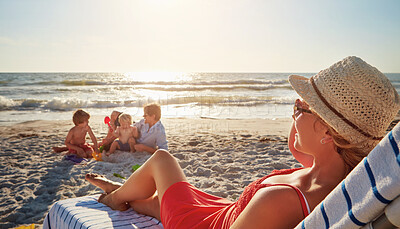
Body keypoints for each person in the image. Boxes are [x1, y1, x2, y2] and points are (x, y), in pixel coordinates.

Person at [85, 56, 400, 228]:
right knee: (157, 201)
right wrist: (302, 117)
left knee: (163, 161)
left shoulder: (281, 200)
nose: (294, 109)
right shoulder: (334, 176)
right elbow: (299, 148)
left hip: (205, 224)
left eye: (301, 106)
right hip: (228, 210)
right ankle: (135, 198)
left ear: (328, 133)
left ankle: (115, 200)